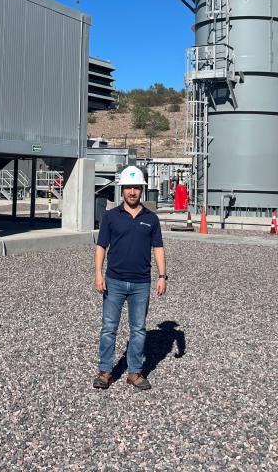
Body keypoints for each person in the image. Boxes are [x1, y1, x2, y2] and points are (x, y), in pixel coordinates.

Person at [93, 165, 167, 391]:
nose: (132, 192)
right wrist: (98, 273)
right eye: (128, 188)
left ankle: (134, 373)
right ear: (122, 189)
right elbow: (101, 246)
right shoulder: (110, 217)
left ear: (142, 190)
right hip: (114, 281)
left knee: (138, 330)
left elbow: (158, 248)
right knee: (108, 328)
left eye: (136, 187)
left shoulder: (151, 219)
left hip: (141, 283)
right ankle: (105, 372)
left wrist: (162, 276)